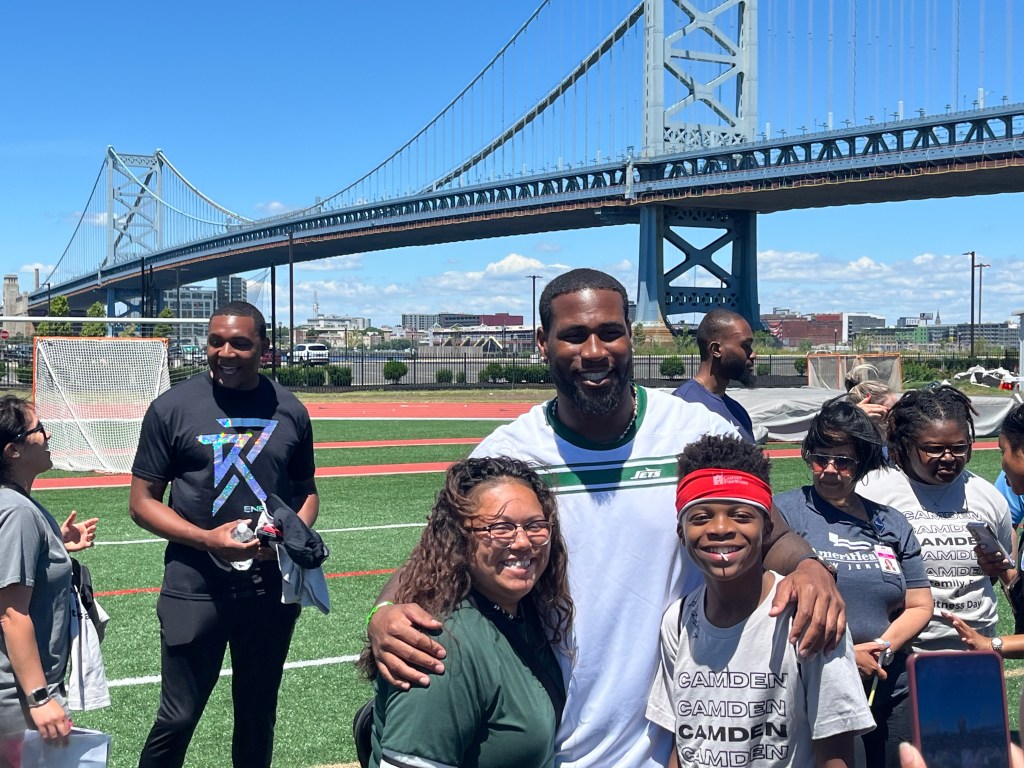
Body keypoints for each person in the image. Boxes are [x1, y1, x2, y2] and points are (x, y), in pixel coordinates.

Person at [368, 268, 846, 768]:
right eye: (574, 335)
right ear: (542, 343)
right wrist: (383, 614)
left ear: (630, 337)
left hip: (677, 744)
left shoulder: (695, 431)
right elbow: (435, 556)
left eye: (610, 333)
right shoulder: (510, 451)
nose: (594, 351)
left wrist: (810, 567)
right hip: (550, 740)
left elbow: (767, 528)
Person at [130, 301, 319, 768]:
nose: (225, 352)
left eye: (240, 342)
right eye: (216, 341)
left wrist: (290, 538)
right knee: (178, 716)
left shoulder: (289, 409)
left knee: (257, 716)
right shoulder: (171, 408)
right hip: (194, 587)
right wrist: (205, 539)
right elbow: (141, 502)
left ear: (264, 348)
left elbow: (306, 493)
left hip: (268, 590)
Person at [649, 434, 874, 767]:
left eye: (741, 516)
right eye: (700, 517)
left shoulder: (809, 615)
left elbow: (835, 751)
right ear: (682, 533)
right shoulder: (678, 621)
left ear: (767, 529)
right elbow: (682, 745)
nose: (720, 528)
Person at [361, 457, 572, 768]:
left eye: (535, 526)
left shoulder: (524, 614)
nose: (524, 541)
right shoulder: (440, 647)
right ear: (459, 536)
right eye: (501, 528)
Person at [775, 398, 932, 765]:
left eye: (843, 461)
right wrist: (847, 657)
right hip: (812, 685)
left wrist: (881, 648)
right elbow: (767, 602)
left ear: (861, 462)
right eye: (820, 458)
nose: (829, 470)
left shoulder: (891, 522)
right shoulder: (784, 513)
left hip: (890, 685)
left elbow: (920, 604)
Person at [858, 385, 1013, 652]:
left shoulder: (987, 497)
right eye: (934, 448)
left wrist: (994, 567)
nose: (949, 458)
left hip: (976, 652)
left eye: (959, 447)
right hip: (898, 653)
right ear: (905, 445)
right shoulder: (871, 492)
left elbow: (1000, 575)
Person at [0, 397, 99, 764]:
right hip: (16, 698)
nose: (48, 434)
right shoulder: (16, 511)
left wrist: (54, 543)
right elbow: (11, 612)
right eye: (38, 429)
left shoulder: (20, 506)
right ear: (13, 450)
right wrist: (41, 699)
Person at [672, 309, 756, 442]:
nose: (753, 354)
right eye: (745, 346)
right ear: (716, 350)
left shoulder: (739, 412)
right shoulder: (682, 405)